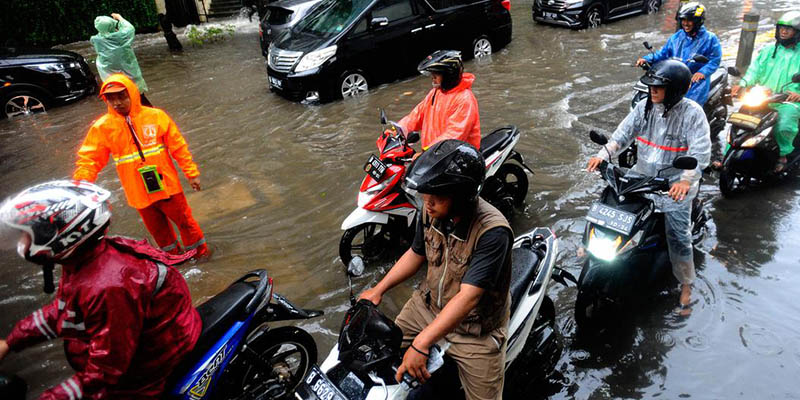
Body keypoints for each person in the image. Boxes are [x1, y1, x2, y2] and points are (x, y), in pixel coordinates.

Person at [0, 180, 201, 399]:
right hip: (139, 348)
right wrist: (11, 341)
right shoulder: (82, 263)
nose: (23, 241)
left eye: (30, 234)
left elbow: (105, 371)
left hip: (150, 367)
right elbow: (63, 311)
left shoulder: (109, 286)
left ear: (63, 235)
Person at [360, 140, 512, 400]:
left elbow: (468, 298)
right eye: (425, 197)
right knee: (378, 355)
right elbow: (416, 253)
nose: (427, 205)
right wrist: (378, 289)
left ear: (463, 197)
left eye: (437, 199)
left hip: (474, 330)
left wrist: (421, 343)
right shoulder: (431, 211)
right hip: (426, 307)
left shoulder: (493, 232)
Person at [587, 60, 711, 312]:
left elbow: (700, 152)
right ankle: (588, 247)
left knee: (678, 235)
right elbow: (622, 135)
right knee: (608, 202)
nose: (651, 91)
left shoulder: (693, 114)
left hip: (674, 185)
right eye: (650, 86)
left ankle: (686, 283)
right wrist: (603, 154)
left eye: (657, 87)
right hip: (641, 177)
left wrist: (686, 180)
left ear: (675, 89)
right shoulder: (644, 107)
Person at [73, 74, 210, 258]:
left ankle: (201, 256)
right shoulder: (102, 127)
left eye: (122, 96)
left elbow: (178, 147)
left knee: (186, 222)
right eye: (111, 99)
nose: (117, 103)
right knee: (159, 233)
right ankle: (174, 261)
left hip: (167, 187)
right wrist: (80, 186)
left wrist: (191, 173)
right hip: (138, 193)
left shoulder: (156, 116)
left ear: (133, 94)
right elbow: (89, 159)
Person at [730, 11, 800, 172]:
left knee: (784, 125)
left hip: (789, 101)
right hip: (764, 98)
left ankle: (782, 155)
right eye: (781, 28)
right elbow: (754, 70)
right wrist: (743, 84)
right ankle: (730, 153)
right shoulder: (769, 50)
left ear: (796, 32)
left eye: (788, 29)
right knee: (740, 119)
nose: (783, 32)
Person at [636, 2, 722, 107]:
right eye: (683, 20)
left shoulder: (710, 38)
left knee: (690, 110)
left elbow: (715, 60)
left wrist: (702, 72)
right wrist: (647, 59)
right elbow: (663, 54)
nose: (685, 23)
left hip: (695, 81)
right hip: (676, 78)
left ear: (697, 21)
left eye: (689, 20)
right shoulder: (677, 37)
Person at [396, 50, 481, 152]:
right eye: (432, 74)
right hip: (435, 154)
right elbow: (416, 115)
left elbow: (454, 135)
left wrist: (427, 152)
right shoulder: (435, 93)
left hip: (458, 156)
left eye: (436, 75)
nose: (433, 78)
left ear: (448, 75)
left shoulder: (464, 99)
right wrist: (398, 130)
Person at [91, 13, 152, 106]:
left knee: (122, 102)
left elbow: (104, 33)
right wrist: (119, 18)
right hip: (131, 77)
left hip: (113, 81)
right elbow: (130, 28)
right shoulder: (121, 37)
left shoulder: (96, 40)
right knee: (140, 99)